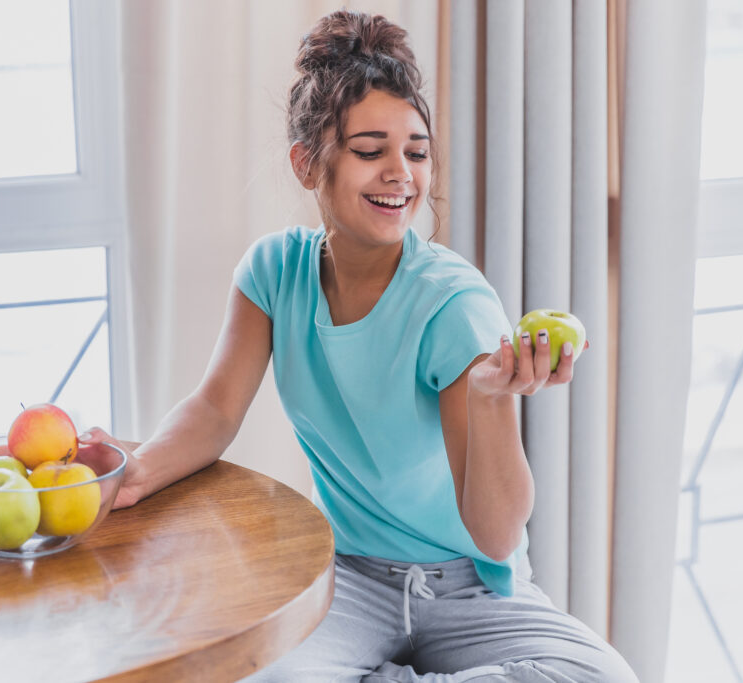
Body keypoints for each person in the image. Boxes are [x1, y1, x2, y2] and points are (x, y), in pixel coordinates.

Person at [75, 10, 639, 683]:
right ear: (309, 162)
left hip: (468, 589)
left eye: (417, 152)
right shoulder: (273, 273)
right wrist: (135, 474)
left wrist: (491, 398)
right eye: (371, 151)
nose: (400, 173)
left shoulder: (454, 304)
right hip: (349, 577)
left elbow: (495, 535)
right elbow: (215, 410)